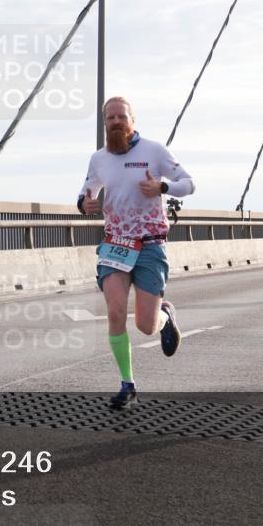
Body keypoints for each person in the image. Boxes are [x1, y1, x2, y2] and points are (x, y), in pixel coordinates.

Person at [78, 96, 195, 410]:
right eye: (110, 118)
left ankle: (165, 316)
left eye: (121, 117)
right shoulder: (99, 158)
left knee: (145, 325)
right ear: (105, 124)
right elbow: (86, 190)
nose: (116, 122)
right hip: (115, 244)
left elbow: (189, 183)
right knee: (115, 312)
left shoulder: (154, 151)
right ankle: (127, 384)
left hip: (149, 244)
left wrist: (162, 188)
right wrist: (85, 204)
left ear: (132, 120)